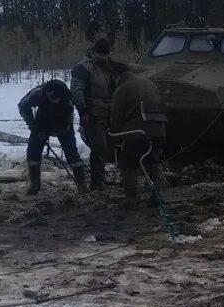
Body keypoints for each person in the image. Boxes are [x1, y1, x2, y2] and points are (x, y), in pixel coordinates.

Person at [17, 78, 87, 194]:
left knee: (71, 153)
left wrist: (63, 130)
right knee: (33, 151)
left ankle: (82, 184)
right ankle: (34, 184)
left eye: (55, 97)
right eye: (49, 97)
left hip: (62, 123)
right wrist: (33, 126)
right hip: (41, 122)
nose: (52, 99)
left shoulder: (68, 98)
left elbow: (69, 119)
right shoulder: (37, 94)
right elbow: (22, 106)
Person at [70, 37, 122, 190]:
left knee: (108, 147)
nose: (102, 58)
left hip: (109, 113)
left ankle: (100, 177)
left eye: (105, 55)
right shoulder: (83, 68)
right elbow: (76, 91)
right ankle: (96, 181)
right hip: (93, 113)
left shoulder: (109, 68)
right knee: (99, 146)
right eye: (100, 54)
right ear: (93, 53)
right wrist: (83, 111)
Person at [109, 71, 167, 207]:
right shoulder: (150, 84)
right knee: (152, 160)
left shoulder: (122, 89)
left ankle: (131, 198)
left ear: (118, 78)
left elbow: (117, 115)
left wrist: (115, 135)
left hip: (137, 131)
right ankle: (158, 195)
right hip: (158, 130)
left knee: (128, 163)